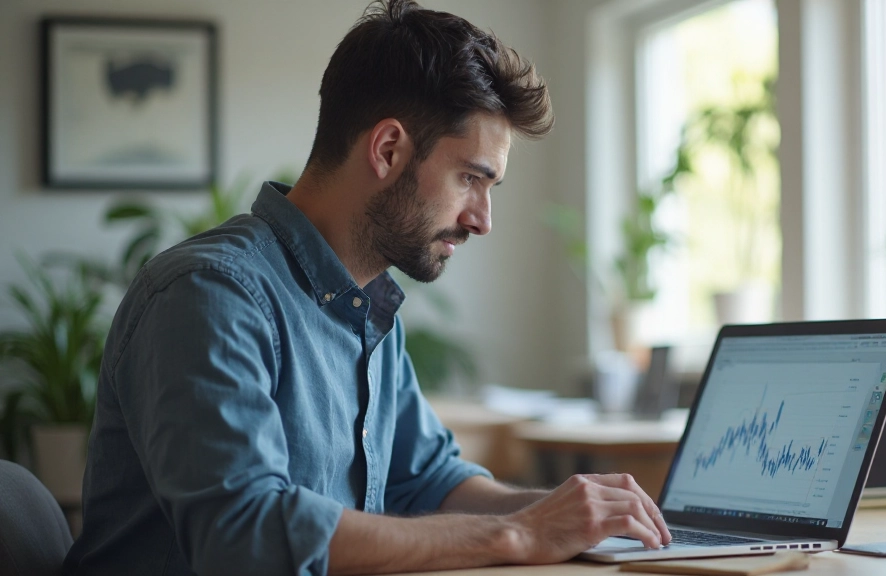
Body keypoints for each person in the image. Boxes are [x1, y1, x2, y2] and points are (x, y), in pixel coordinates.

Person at [63, 1, 670, 574]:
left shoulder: (369, 309)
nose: (483, 218)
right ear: (387, 149)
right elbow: (241, 534)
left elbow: (429, 482)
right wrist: (520, 535)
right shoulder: (210, 295)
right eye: (470, 179)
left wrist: (571, 513)